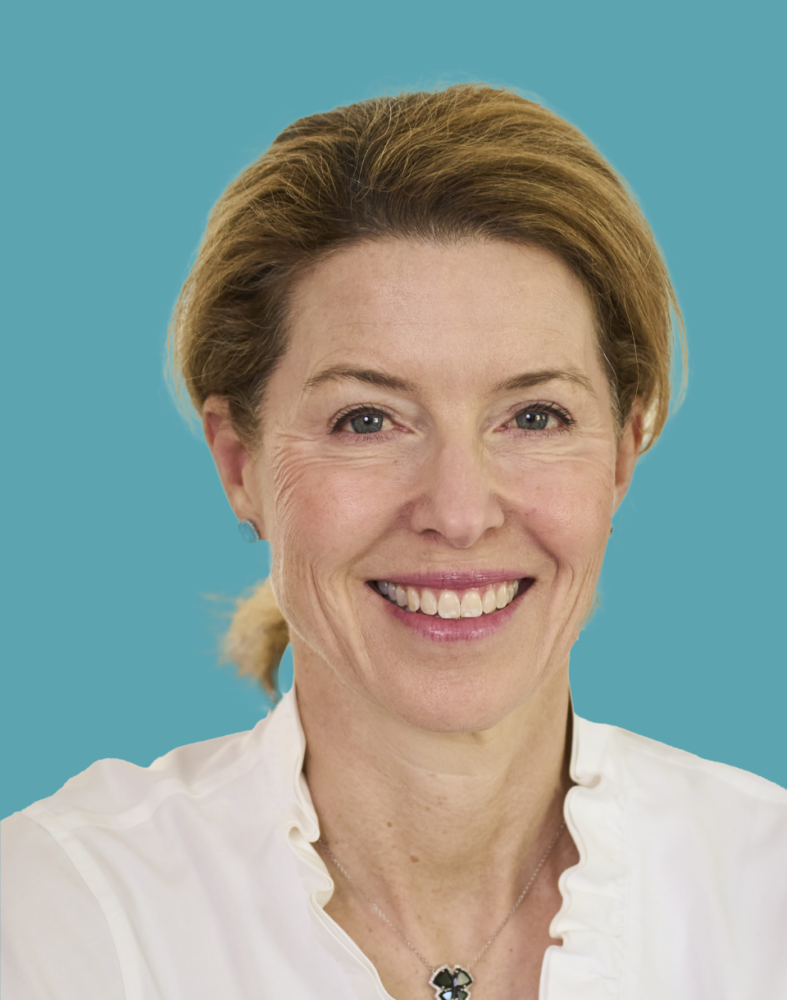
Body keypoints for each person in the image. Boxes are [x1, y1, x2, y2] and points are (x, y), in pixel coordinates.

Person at [2, 84, 786, 1000]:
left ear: (621, 454)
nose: (458, 512)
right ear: (238, 461)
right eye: (367, 419)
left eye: (534, 415)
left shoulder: (764, 896)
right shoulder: (55, 917)